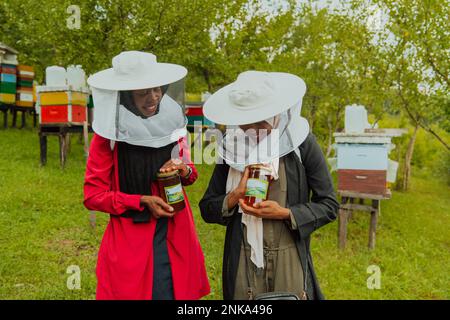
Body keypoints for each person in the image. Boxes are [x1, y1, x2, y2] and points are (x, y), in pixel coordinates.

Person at [199, 71, 339, 300]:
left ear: (276, 113)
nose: (254, 130)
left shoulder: (300, 143)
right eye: (246, 124)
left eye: (261, 121)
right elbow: (207, 207)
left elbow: (329, 204)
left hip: (288, 255)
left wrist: (285, 213)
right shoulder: (230, 149)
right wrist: (235, 195)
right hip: (242, 257)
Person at [84, 51, 210, 300]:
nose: (152, 98)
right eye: (142, 93)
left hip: (176, 231)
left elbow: (190, 171)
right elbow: (93, 196)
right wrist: (140, 201)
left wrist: (182, 168)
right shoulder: (108, 136)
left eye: (156, 90)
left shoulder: (170, 122)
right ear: (126, 96)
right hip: (132, 239)